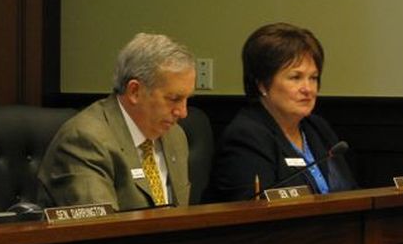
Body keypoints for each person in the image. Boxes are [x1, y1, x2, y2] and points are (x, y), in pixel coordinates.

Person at [37, 32, 195, 211]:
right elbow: (99, 229)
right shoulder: (85, 140)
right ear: (135, 91)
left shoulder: (175, 137)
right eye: (173, 98)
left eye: (187, 99)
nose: (183, 113)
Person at [209, 22, 357, 201]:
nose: (308, 89)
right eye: (296, 77)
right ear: (262, 84)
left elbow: (350, 192)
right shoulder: (246, 137)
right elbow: (253, 212)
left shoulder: (317, 128)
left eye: (313, 78)